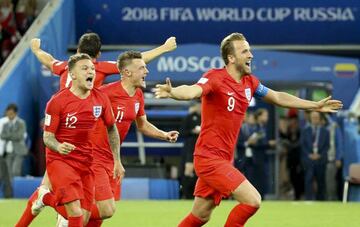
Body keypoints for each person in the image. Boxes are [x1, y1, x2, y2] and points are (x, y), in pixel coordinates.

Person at [154, 32, 342, 226]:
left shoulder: (250, 83)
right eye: (245, 51)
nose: (250, 55)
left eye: (250, 50)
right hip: (209, 158)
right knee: (253, 201)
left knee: (201, 215)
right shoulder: (215, 77)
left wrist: (315, 105)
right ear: (231, 58)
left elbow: (278, 97)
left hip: (224, 158)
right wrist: (173, 92)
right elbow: (193, 90)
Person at [15, 33, 177, 227]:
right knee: (81, 210)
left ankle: (47, 205)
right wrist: (164, 48)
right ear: (98, 55)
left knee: (89, 210)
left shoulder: (66, 67)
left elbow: (49, 60)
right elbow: (133, 63)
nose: (89, 70)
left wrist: (36, 49)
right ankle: (58, 208)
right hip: (78, 140)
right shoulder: (99, 83)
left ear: (77, 51)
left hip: (76, 137)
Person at [62, 50, 179, 226]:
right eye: (141, 68)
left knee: (101, 214)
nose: (146, 72)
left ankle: (72, 216)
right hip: (93, 158)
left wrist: (164, 135)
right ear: (126, 73)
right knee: (106, 209)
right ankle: (66, 213)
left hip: (112, 159)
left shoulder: (138, 95)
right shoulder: (105, 93)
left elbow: (143, 125)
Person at [33, 53, 122, 227]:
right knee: (75, 211)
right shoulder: (57, 102)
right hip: (60, 160)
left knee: (83, 217)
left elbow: (111, 128)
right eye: (85, 68)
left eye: (92, 68)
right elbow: (47, 137)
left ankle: (44, 197)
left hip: (85, 161)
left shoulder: (101, 99)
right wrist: (59, 147)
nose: (91, 71)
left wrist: (117, 159)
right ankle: (46, 197)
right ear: (72, 75)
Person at [301, 111, 329, 201]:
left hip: (321, 160)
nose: (315, 119)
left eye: (316, 117)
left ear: (320, 119)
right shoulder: (305, 131)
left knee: (321, 181)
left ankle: (321, 200)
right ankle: (308, 200)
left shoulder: (325, 132)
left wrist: (319, 155)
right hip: (308, 160)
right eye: (313, 117)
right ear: (310, 119)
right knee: (308, 180)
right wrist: (309, 155)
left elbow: (327, 146)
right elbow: (302, 145)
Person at [179, 101, 201, 199]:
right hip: (191, 147)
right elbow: (182, 132)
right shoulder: (190, 117)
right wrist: (193, 131)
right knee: (188, 169)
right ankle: (185, 194)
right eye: (199, 105)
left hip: (203, 148)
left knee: (200, 172)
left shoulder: (207, 117)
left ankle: (198, 194)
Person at [1, 104, 28, 178]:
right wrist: (12, 135)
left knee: (15, 171)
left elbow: (19, 136)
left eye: (11, 114)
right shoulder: (5, 124)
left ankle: (16, 188)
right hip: (8, 151)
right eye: (8, 114)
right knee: (8, 172)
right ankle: (10, 189)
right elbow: (2, 136)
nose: (9, 116)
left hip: (18, 150)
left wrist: (8, 135)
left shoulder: (21, 123)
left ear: (16, 113)